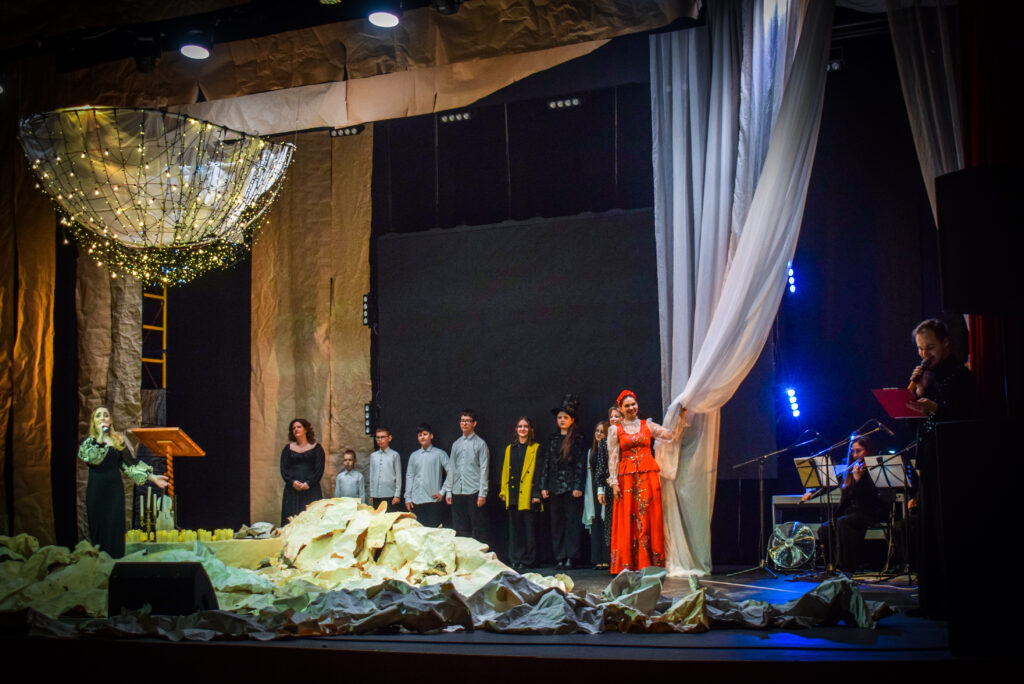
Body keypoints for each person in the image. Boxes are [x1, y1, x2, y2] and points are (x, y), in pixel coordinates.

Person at [905, 318, 975, 618]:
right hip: (929, 459)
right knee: (927, 531)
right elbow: (917, 426)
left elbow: (966, 417)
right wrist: (914, 397)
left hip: (952, 462)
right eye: (920, 349)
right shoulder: (927, 378)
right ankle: (930, 601)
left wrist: (935, 408)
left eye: (930, 347)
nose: (925, 355)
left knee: (946, 530)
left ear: (946, 342)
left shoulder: (961, 376)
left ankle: (951, 602)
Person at [606, 389, 682, 574]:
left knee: (649, 517)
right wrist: (614, 482)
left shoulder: (647, 425)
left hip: (648, 477)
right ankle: (629, 563)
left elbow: (670, 435)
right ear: (621, 409)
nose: (631, 408)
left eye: (633, 404)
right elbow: (613, 457)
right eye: (627, 406)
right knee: (629, 518)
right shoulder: (615, 430)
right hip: (627, 479)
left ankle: (649, 562)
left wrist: (681, 416)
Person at [78, 406, 169, 557]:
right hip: (96, 491)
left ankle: (114, 561)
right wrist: (100, 437)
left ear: (110, 420)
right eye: (98, 416)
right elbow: (91, 459)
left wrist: (153, 478)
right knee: (99, 527)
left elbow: (130, 465)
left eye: (106, 415)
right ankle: (101, 563)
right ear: (93, 422)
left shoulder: (118, 442)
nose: (102, 418)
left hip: (114, 491)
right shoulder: (87, 442)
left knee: (114, 527)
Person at [817, 436, 883, 574]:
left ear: (868, 451)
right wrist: (812, 493)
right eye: (853, 451)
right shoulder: (850, 470)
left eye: (859, 451)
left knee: (843, 523)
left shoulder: (874, 469)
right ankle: (832, 566)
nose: (855, 455)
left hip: (867, 511)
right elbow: (832, 483)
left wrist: (858, 480)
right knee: (824, 528)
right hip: (850, 512)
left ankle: (846, 567)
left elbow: (869, 497)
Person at [540, 394, 588, 570]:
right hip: (554, 487)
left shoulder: (577, 439)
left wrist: (577, 486)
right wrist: (543, 485)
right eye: (559, 417)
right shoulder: (553, 439)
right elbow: (547, 463)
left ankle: (571, 556)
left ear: (572, 420)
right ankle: (559, 556)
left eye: (565, 417)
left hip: (570, 487)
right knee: (557, 523)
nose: (561, 420)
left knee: (572, 522)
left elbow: (580, 464)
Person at [499, 417, 543, 571]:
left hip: (528, 493)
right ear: (516, 429)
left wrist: (536, 494)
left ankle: (528, 559)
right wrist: (503, 491)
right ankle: (516, 558)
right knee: (515, 528)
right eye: (519, 426)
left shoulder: (536, 448)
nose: (522, 429)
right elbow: (505, 470)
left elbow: (538, 472)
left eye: (525, 426)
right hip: (513, 492)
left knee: (529, 528)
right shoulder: (510, 448)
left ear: (530, 429)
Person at [444, 409, 490, 541]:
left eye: (468, 421)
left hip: (474, 491)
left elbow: (484, 469)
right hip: (457, 491)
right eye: (462, 421)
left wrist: (482, 493)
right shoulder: (456, 444)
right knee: (459, 528)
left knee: (477, 528)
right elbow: (452, 468)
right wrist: (448, 491)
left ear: (474, 423)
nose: (464, 423)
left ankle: (478, 552)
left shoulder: (480, 444)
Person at [280, 418, 325, 525]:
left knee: (311, 521)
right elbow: (284, 469)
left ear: (306, 429)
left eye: (299, 427)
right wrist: (292, 482)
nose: (296, 429)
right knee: (292, 522)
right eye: (293, 428)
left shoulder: (317, 448)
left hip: (311, 490)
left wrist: (308, 483)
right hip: (292, 491)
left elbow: (319, 469)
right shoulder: (287, 449)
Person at [405, 423, 449, 528]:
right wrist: (408, 498)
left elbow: (451, 473)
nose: (422, 437)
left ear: (431, 436)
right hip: (416, 500)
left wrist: (442, 492)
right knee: (418, 531)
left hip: (432, 500)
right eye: (420, 435)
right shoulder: (414, 456)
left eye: (425, 434)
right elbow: (409, 476)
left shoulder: (440, 454)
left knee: (433, 531)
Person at [584, 420, 612, 569]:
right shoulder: (592, 451)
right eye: (597, 431)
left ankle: (607, 558)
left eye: (602, 432)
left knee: (605, 521)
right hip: (593, 487)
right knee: (595, 521)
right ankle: (597, 559)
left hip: (606, 486)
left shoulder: (609, 449)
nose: (599, 434)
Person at [369, 427, 402, 511]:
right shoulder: (373, 456)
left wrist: (397, 495)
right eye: (378, 437)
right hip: (376, 495)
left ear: (389, 438)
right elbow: (371, 476)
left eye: (383, 437)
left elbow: (398, 477)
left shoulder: (394, 455)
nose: (380, 440)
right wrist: (372, 494)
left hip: (390, 495)